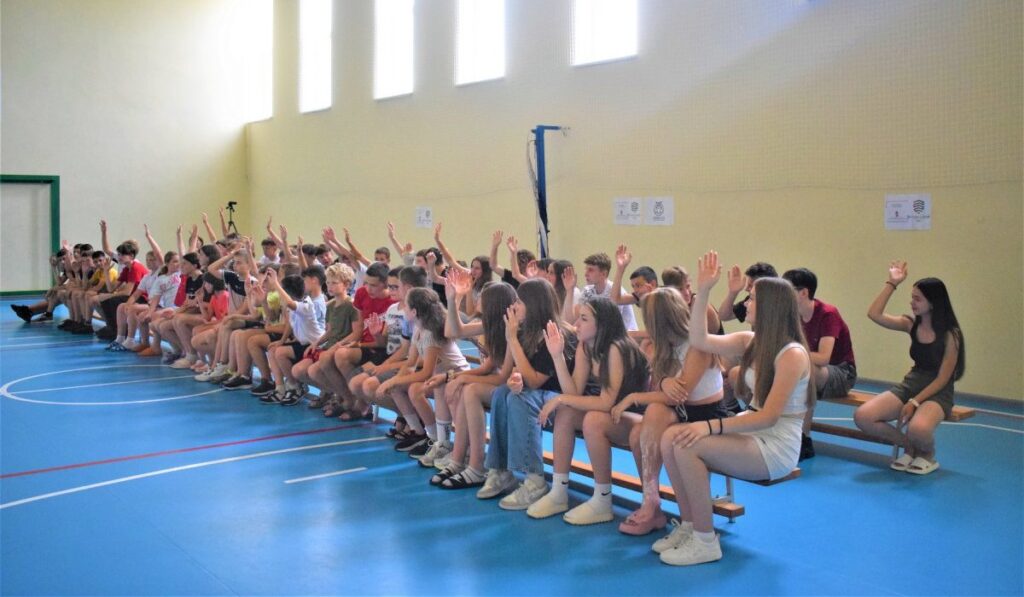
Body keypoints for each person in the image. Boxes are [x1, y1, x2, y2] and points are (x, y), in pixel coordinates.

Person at [657, 251, 812, 566]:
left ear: (769, 307)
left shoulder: (792, 354)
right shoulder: (751, 340)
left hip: (775, 445)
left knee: (687, 444)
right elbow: (698, 338)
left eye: (751, 298)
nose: (746, 304)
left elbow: (768, 416)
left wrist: (708, 426)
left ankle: (705, 540)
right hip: (753, 431)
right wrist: (705, 291)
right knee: (670, 437)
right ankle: (689, 523)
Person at [525, 297, 648, 524]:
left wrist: (560, 398)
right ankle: (559, 492)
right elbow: (573, 391)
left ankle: (602, 499)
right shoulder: (585, 346)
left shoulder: (616, 348)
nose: (576, 324)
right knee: (566, 413)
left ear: (602, 324)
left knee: (592, 419)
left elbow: (606, 403)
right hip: (612, 415)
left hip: (636, 418)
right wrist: (557, 357)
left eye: (583, 319)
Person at [854, 261, 965, 475]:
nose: (912, 302)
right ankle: (910, 446)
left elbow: (943, 378)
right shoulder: (910, 324)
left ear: (933, 302)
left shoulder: (951, 334)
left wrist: (914, 402)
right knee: (863, 416)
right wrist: (892, 283)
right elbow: (874, 314)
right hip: (911, 384)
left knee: (918, 428)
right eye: (912, 297)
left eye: (918, 299)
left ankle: (928, 453)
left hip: (938, 391)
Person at [479, 278, 578, 510]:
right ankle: (500, 470)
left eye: (519, 302)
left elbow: (534, 380)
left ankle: (535, 480)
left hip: (561, 397)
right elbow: (520, 372)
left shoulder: (554, 333)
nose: (515, 307)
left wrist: (512, 339)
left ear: (534, 305)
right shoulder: (529, 331)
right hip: (539, 392)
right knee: (501, 393)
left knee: (520, 399)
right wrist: (514, 379)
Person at [782, 268, 857, 461]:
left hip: (842, 372)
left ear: (803, 293)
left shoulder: (828, 314)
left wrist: (791, 351)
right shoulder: (792, 315)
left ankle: (804, 438)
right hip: (813, 370)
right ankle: (781, 430)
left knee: (805, 371)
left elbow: (824, 358)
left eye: (787, 289)